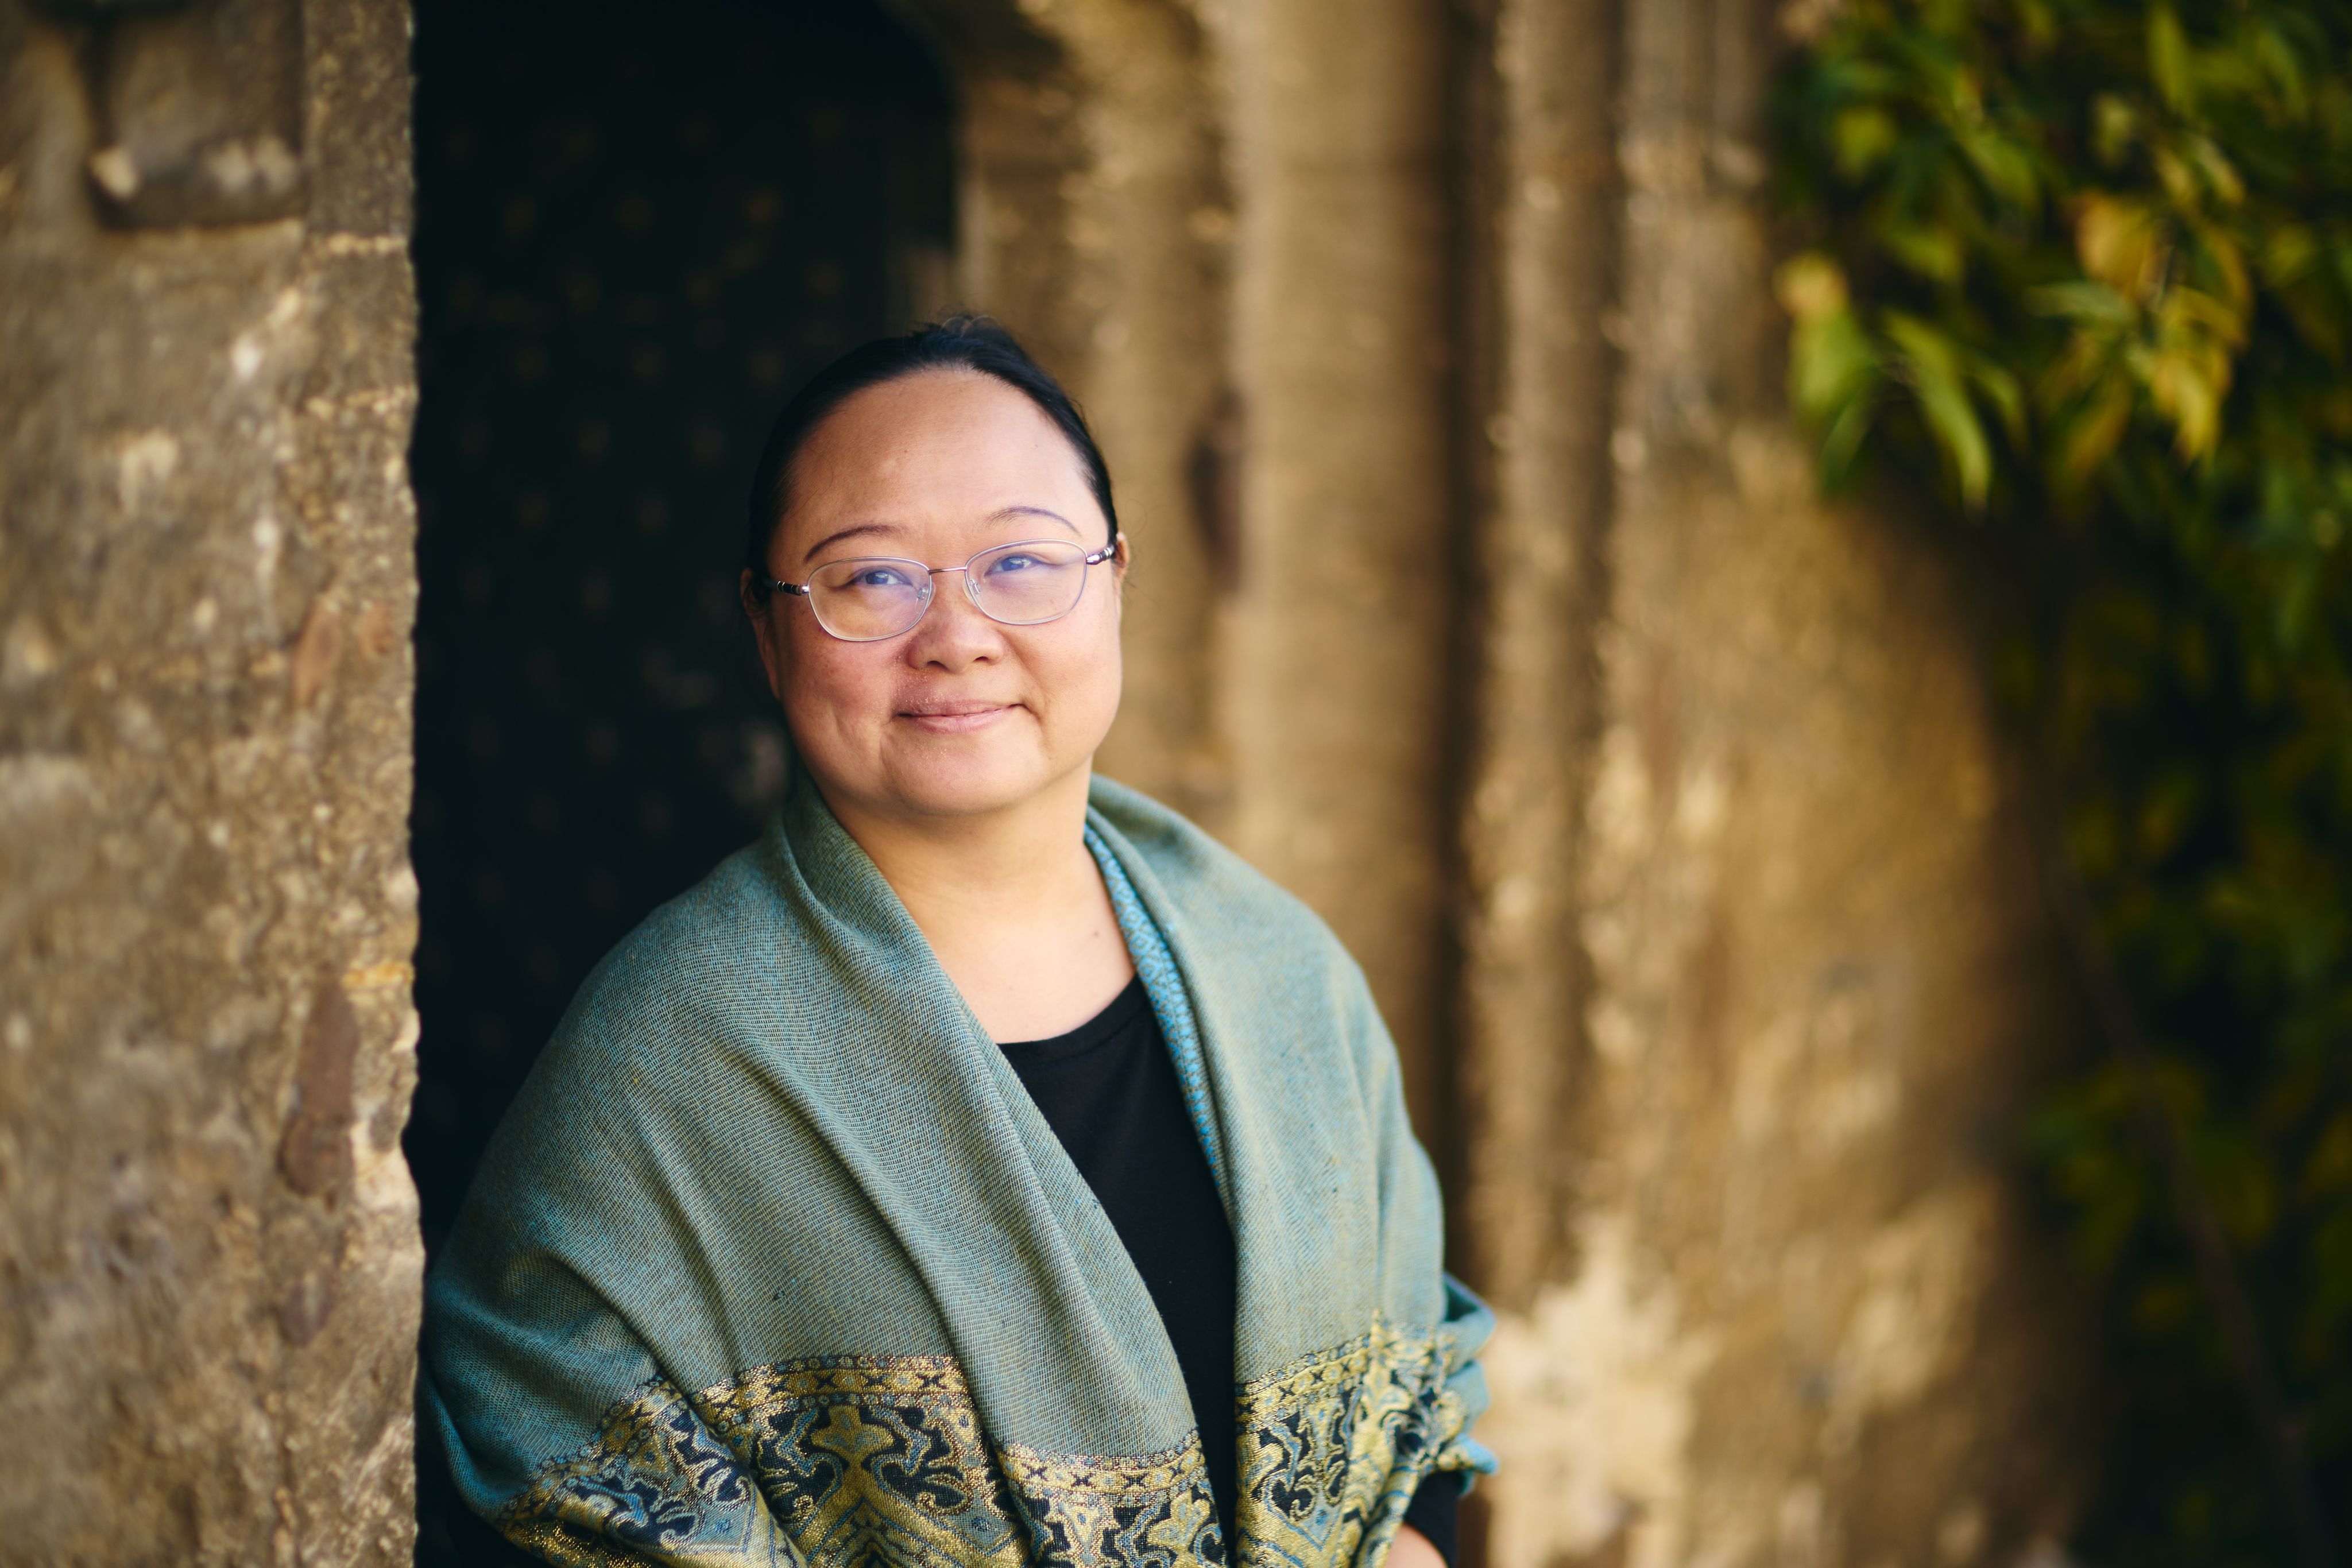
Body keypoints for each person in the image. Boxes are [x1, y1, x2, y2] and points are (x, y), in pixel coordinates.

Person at [420, 318, 1494, 1568]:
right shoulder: (664, 1060)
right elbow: (548, 1465)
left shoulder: (1275, 968)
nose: (956, 634)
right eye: (870, 578)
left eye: (1022, 561)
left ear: (1117, 579)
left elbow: (1417, 1411)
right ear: (765, 629)